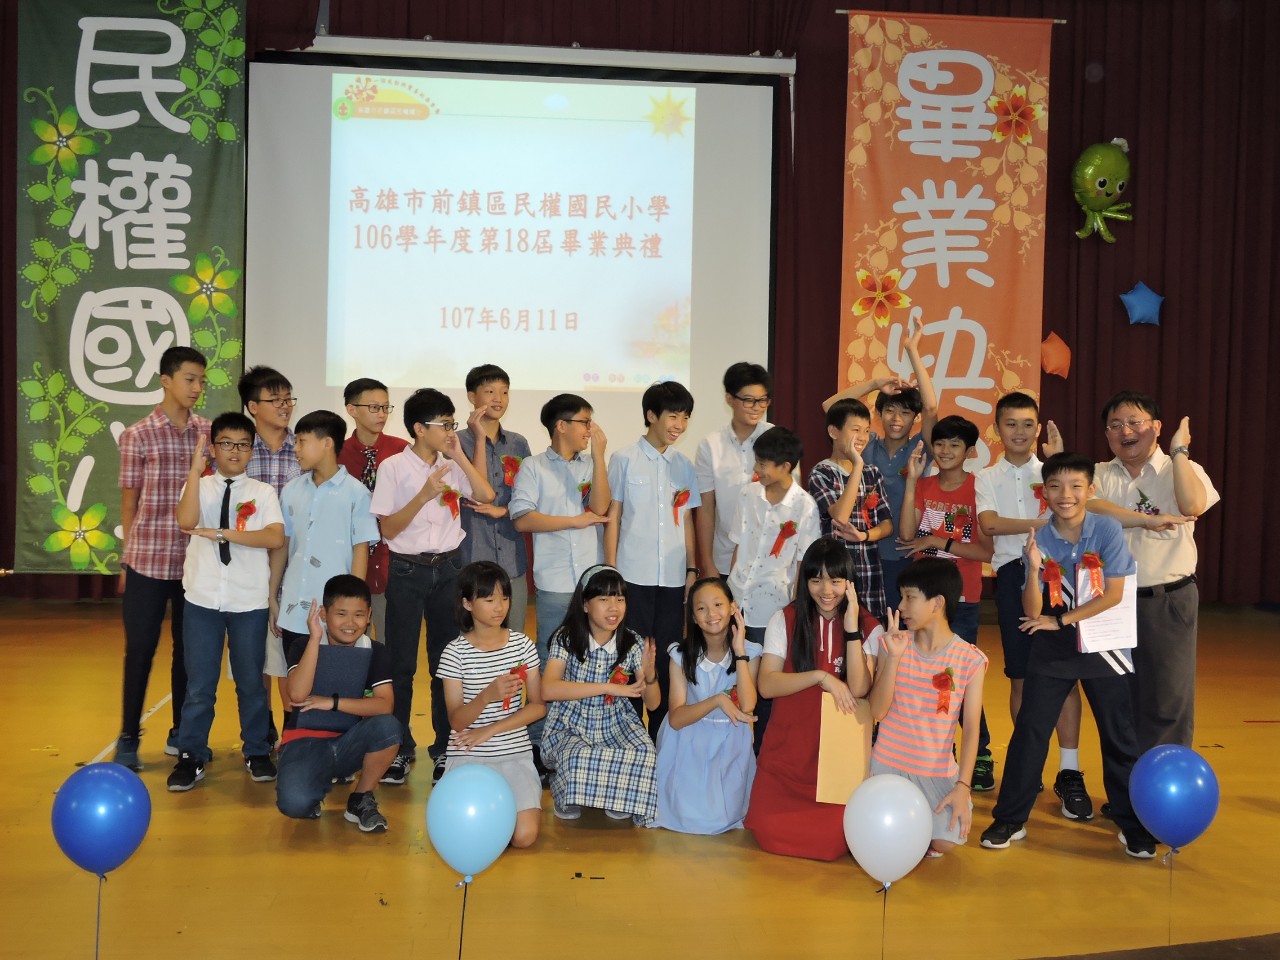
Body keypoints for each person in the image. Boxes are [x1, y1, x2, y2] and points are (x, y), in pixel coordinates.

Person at [980, 453, 1158, 858]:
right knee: (1030, 731)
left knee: (1118, 734)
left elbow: (1114, 594)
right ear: (1044, 493)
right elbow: (1031, 610)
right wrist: (1031, 568)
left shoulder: (1106, 529)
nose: (1066, 495)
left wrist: (1062, 620)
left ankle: (1132, 823)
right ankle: (1010, 818)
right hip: (1054, 645)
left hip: (1104, 644)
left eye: (1076, 486)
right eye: (1056, 486)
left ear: (1090, 490)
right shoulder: (1039, 537)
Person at [370, 389, 495, 786]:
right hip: (407, 571)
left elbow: (485, 494)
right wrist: (423, 495)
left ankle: (445, 748)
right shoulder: (393, 468)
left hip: (449, 570)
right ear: (419, 428)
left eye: (452, 423)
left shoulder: (451, 464)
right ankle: (398, 748)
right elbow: (388, 529)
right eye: (444, 424)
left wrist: (459, 455)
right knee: (401, 664)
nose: (450, 431)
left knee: (446, 664)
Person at [975, 393, 1090, 818]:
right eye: (1011, 424)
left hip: (1060, 577)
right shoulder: (986, 476)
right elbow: (990, 525)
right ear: (997, 429)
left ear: (1038, 428)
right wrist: (1047, 522)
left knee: (1066, 678)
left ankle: (1070, 771)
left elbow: (1076, 512)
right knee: (1021, 676)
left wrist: (1057, 468)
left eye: (1027, 424)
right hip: (1012, 577)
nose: (1019, 432)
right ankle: (1029, 767)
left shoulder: (1053, 472)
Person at [1088, 392, 1219, 752]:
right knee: (1117, 698)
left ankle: (1165, 781)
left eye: (1135, 422)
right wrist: (1145, 520)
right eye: (1115, 425)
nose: (1125, 431)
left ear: (1157, 427)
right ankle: (1127, 782)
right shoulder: (1099, 473)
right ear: (1107, 434)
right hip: (1111, 602)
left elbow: (1193, 504)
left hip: (1168, 599)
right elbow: (1089, 507)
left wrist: (1179, 452)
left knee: (1168, 699)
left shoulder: (1181, 470)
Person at [167, 413, 285, 791]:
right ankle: (192, 754)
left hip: (248, 601)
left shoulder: (262, 492)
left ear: (252, 450)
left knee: (251, 682)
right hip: (202, 599)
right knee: (200, 684)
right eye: (226, 444)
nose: (235, 451)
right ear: (214, 448)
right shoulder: (199, 487)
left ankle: (256, 750)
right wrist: (193, 471)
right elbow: (186, 521)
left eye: (243, 445)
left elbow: (274, 537)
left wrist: (222, 534)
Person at [745, 538, 878, 860]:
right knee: (766, 830)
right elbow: (767, 685)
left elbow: (860, 688)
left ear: (849, 583)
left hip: (837, 762)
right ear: (804, 582)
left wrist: (851, 631)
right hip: (788, 754)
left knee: (833, 842)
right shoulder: (785, 619)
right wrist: (821, 677)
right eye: (816, 580)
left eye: (835, 581)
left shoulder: (868, 626)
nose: (826, 590)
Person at [114, 346, 210, 771]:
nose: (197, 387)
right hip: (148, 561)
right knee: (139, 650)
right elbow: (129, 503)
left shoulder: (207, 433)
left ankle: (181, 734)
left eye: (202, 380)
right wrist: (127, 559)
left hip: (194, 562)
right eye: (190, 379)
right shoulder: (138, 435)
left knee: (188, 654)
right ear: (166, 380)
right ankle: (128, 736)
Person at [898, 414, 996, 791]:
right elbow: (907, 534)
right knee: (922, 677)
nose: (945, 450)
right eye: (940, 443)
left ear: (969, 451)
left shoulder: (978, 487)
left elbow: (985, 551)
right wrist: (912, 482)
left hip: (962, 599)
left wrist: (940, 542)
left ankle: (980, 752)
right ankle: (938, 751)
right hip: (921, 601)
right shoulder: (924, 485)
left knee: (959, 680)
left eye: (955, 445)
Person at [867, 559, 988, 858]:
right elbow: (877, 712)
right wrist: (893, 658)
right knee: (884, 834)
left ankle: (917, 834)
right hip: (887, 768)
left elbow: (972, 728)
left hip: (935, 771)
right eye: (901, 597)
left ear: (937, 603)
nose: (901, 606)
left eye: (910, 597)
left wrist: (963, 786)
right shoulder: (893, 643)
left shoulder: (971, 659)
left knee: (948, 842)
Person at [605, 380, 700, 736]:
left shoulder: (684, 465)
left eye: (685, 417)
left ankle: (661, 736)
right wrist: (610, 571)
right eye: (673, 416)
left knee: (666, 655)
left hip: (672, 579)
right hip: (632, 576)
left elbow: (687, 520)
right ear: (651, 415)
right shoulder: (623, 459)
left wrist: (691, 568)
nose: (680, 425)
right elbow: (614, 515)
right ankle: (629, 733)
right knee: (629, 657)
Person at [823, 323, 937, 611]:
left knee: (897, 623)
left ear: (915, 419)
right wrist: (874, 384)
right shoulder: (866, 443)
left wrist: (912, 350)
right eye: (890, 410)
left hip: (901, 553)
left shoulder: (920, 448)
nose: (896, 419)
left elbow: (931, 408)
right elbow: (830, 408)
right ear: (878, 413)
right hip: (860, 551)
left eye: (905, 413)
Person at [275, 575, 401, 833]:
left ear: (369, 616)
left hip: (350, 742)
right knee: (295, 804)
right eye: (341, 614)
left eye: (359, 615)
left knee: (388, 727)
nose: (350, 623)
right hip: (305, 741)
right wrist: (314, 639)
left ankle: (361, 797)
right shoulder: (303, 645)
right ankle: (313, 783)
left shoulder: (374, 650)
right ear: (323, 614)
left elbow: (384, 705)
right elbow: (296, 695)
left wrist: (332, 703)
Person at [540, 566, 660, 825]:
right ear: (585, 605)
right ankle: (569, 787)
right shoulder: (567, 638)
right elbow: (548, 689)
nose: (613, 607)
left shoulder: (632, 642)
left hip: (614, 722)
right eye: (604, 599)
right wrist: (608, 687)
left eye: (620, 599)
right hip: (571, 723)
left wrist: (650, 676)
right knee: (576, 755)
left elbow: (653, 704)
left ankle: (611, 794)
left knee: (645, 752)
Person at [509, 393, 610, 696]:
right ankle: (542, 725)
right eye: (584, 422)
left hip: (591, 579)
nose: (590, 430)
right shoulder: (533, 466)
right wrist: (573, 521)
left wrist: (599, 458)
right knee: (550, 652)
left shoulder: (590, 465)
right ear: (561, 426)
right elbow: (522, 519)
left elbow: (600, 507)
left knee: (591, 655)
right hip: (554, 579)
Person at [439, 561, 545, 849]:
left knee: (524, 837)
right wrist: (487, 695)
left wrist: (489, 730)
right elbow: (457, 721)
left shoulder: (522, 645)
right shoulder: (454, 653)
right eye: (489, 599)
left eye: (505, 597)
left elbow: (538, 706)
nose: (499, 607)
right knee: (468, 833)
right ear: (467, 604)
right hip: (469, 753)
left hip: (514, 752)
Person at [727, 425, 821, 748]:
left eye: (763, 463)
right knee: (732, 680)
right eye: (757, 461)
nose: (757, 469)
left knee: (764, 689)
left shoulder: (804, 506)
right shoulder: (748, 495)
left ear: (786, 466)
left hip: (771, 609)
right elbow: (738, 546)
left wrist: (794, 614)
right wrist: (728, 594)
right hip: (737, 599)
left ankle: (762, 754)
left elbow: (803, 565)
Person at [270, 410, 379, 680]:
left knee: (334, 683)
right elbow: (282, 546)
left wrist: (354, 610)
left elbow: (360, 552)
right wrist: (272, 597)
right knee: (295, 685)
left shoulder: (357, 494)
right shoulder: (291, 490)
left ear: (327, 443)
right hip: (293, 610)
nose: (295, 449)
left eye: (301, 441)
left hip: (336, 617)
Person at [649, 578, 760, 835]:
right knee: (689, 817)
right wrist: (717, 700)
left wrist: (740, 652)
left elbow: (748, 705)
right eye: (701, 608)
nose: (711, 614)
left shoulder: (750, 652)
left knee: (719, 819)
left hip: (730, 742)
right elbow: (676, 719)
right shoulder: (681, 655)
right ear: (693, 617)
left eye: (718, 604)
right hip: (689, 741)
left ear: (733, 608)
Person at [238, 366, 302, 747]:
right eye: (274, 399)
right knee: (255, 660)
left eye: (288, 398)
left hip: (299, 571)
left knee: (291, 658)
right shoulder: (240, 452)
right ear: (252, 407)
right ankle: (261, 734)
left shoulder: (304, 447)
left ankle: (296, 734)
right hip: (249, 570)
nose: (284, 406)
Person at [457, 364, 534, 636]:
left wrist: (503, 510)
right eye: (489, 391)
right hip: (470, 555)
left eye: (504, 391)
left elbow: (530, 497)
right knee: (470, 640)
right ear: (472, 397)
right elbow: (474, 493)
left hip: (512, 558)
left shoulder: (518, 443)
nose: (498, 398)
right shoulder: (455, 443)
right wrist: (479, 438)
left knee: (514, 638)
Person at [807, 398, 893, 622]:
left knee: (871, 632)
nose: (862, 437)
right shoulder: (821, 473)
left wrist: (865, 535)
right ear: (834, 432)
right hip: (835, 576)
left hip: (869, 571)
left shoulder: (872, 473)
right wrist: (857, 466)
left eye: (866, 430)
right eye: (855, 430)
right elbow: (840, 516)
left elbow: (887, 525)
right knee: (837, 630)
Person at [337, 378, 409, 643]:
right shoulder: (337, 454)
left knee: (392, 642)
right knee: (351, 642)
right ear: (352, 409)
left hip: (392, 561)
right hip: (349, 561)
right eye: (374, 407)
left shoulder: (402, 450)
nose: (381, 414)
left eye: (385, 407)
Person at [694, 362, 775, 579]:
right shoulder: (711, 445)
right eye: (749, 400)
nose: (756, 407)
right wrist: (707, 564)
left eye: (762, 400)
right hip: (724, 558)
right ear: (729, 399)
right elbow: (706, 508)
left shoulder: (777, 440)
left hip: (770, 559)